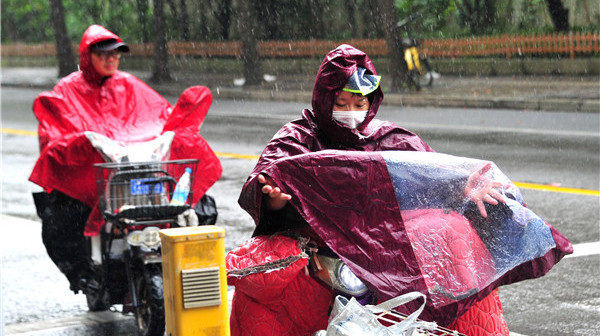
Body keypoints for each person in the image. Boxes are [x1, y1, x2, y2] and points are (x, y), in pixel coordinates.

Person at [234, 44, 509, 335]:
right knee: (260, 287)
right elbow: (267, 181)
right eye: (341, 104)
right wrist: (274, 201)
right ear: (324, 99)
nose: (350, 112)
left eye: (359, 103)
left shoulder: (389, 138)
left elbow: (431, 172)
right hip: (319, 254)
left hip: (384, 251)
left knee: (456, 241)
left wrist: (463, 186)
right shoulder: (297, 138)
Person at [30, 25, 222, 294]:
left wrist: (171, 136)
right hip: (94, 175)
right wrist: (84, 144)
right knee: (62, 219)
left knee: (194, 202)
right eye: (103, 54)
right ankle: (84, 274)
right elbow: (56, 134)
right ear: (87, 56)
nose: (111, 59)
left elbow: (161, 117)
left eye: (116, 54)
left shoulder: (129, 84)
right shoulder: (68, 89)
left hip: (137, 170)